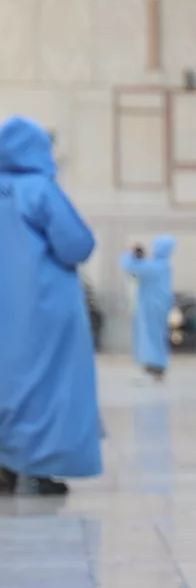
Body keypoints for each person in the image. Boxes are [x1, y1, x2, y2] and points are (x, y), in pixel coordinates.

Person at [0, 116, 103, 497]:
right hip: (44, 310)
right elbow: (76, 245)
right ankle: (40, 467)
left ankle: (5, 465)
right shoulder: (39, 191)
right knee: (48, 386)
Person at [123, 236, 175, 380]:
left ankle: (154, 367)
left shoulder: (156, 266)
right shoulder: (162, 265)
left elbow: (130, 266)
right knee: (155, 336)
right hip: (156, 305)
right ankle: (154, 366)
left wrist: (130, 253)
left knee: (151, 336)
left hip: (152, 305)